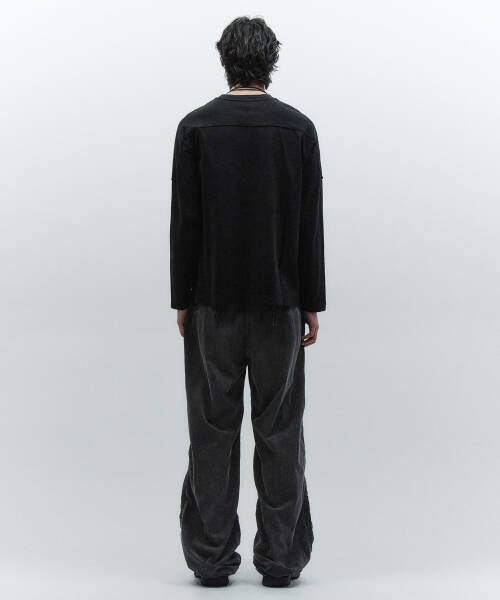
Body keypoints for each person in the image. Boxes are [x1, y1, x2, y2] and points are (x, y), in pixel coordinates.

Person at [170, 16, 326, 588]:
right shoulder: (298, 129)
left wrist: (182, 299)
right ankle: (281, 560)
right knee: (279, 429)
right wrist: (311, 301)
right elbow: (309, 224)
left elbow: (185, 222)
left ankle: (211, 559)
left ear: (225, 60)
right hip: (280, 304)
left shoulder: (195, 128)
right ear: (271, 61)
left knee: (212, 431)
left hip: (211, 304)